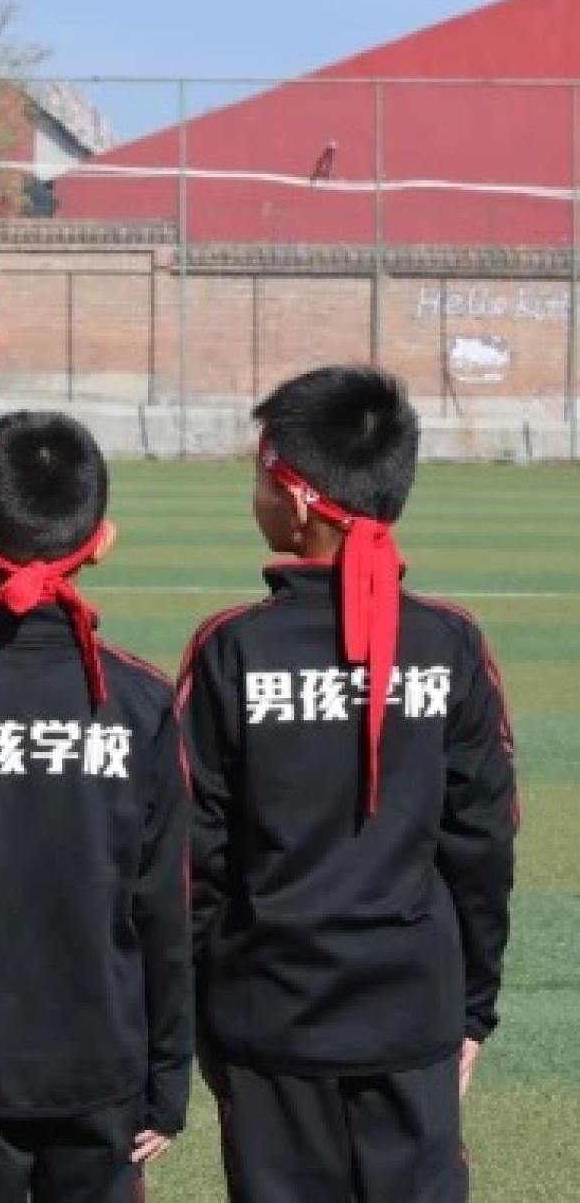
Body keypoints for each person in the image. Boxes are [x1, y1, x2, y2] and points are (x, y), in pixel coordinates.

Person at [180, 366, 517, 1203]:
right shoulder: (451, 645)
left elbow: (191, 855)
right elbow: (482, 844)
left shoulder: (231, 651)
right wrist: (470, 1007)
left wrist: (205, 1007)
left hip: (272, 1017)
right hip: (411, 1016)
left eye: (258, 474)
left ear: (296, 499)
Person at [0, 412, 192, 1202]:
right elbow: (167, 904)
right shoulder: (141, 699)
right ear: (103, 541)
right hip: (104, 1060)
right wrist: (167, 1075)